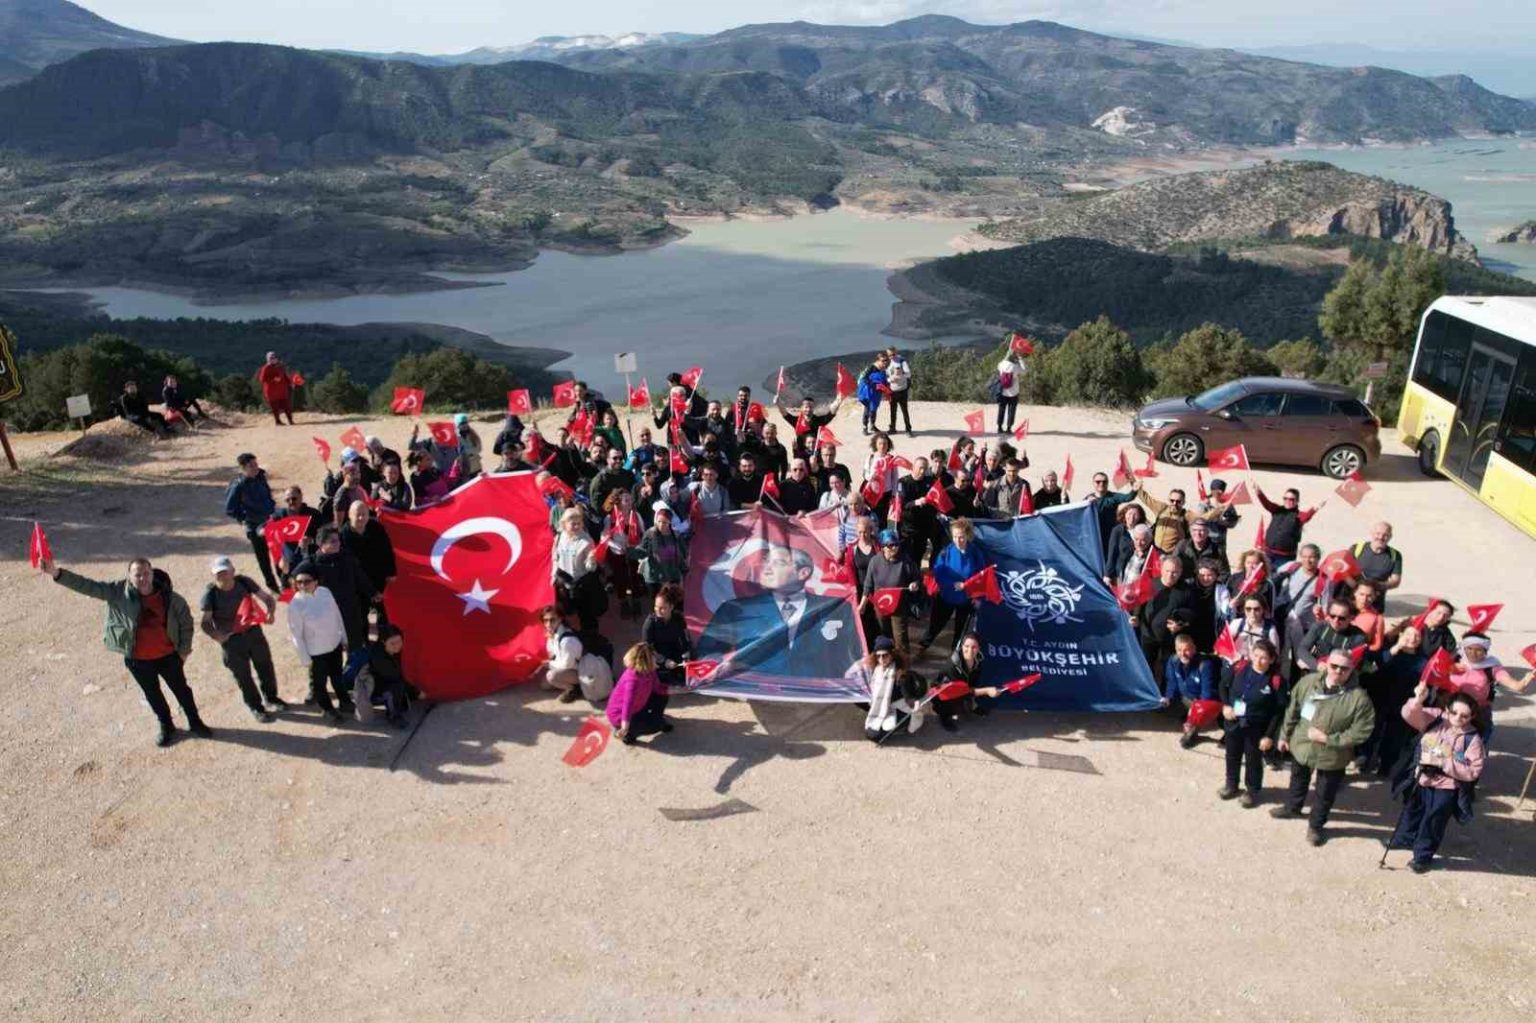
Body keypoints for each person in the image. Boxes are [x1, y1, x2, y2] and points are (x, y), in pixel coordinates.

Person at [42, 554, 207, 747]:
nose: (143, 578)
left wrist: (184, 652)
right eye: (138, 574)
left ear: (152, 574)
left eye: (147, 573)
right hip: (138, 660)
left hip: (169, 657)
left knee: (182, 691)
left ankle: (195, 722)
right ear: (129, 576)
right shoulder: (117, 592)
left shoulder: (171, 598)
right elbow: (87, 586)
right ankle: (167, 726)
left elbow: (186, 623)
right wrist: (56, 573)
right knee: (153, 694)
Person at [695, 544, 862, 678]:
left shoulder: (836, 608)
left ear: (803, 573)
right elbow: (706, 653)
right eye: (766, 562)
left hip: (820, 699)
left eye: (778, 563)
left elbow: (855, 654)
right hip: (758, 695)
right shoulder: (736, 610)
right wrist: (717, 664)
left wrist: (862, 664)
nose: (767, 569)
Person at [1273, 650, 1376, 845]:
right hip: (1302, 745)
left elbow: (1361, 731)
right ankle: (1292, 807)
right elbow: (1293, 709)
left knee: (1325, 793)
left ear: (1352, 670)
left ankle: (1316, 826)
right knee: (1298, 779)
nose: (1338, 671)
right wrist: (1284, 735)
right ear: (1327, 664)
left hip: (1333, 755)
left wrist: (1329, 739)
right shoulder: (1308, 683)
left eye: (1344, 668)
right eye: (1334, 666)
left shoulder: (1359, 698)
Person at [1388, 685, 1486, 873]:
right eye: (1454, 713)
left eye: (1464, 716)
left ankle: (1422, 856)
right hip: (1421, 777)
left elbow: (1474, 771)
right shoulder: (1436, 718)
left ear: (1472, 716)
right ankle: (1404, 839)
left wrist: (1444, 763)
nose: (1457, 718)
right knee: (1411, 810)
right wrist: (1418, 700)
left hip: (1446, 786)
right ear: (1447, 709)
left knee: (1433, 821)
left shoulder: (1472, 739)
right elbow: (1409, 715)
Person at [199, 556, 282, 723]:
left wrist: (270, 613)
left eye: (225, 572)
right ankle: (255, 707)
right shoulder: (210, 594)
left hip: (253, 632)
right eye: (219, 573)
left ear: (233, 571)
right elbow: (205, 622)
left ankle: (271, 698)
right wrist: (217, 635)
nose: (223, 576)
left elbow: (267, 598)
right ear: (213, 575)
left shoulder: (244, 582)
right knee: (243, 676)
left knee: (265, 666)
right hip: (232, 641)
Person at [1218, 640, 1285, 807]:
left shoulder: (1276, 680)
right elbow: (1222, 686)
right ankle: (1231, 784)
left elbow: (1278, 712)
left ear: (1272, 659)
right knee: (1232, 755)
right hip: (1233, 722)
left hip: (1256, 727)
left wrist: (1269, 736)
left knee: (1253, 760)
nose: (1258, 661)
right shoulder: (1239, 668)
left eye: (1263, 658)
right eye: (1255, 655)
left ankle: (1252, 791)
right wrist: (1225, 705)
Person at [285, 562, 349, 726]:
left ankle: (345, 701)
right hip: (316, 653)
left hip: (334, 645)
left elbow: (337, 615)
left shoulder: (325, 592)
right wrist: (305, 659)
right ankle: (327, 709)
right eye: (299, 582)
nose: (302, 585)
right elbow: (297, 635)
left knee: (337, 676)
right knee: (320, 684)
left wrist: (344, 638)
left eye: (306, 581)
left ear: (316, 581)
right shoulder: (295, 605)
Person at [919, 517, 986, 656]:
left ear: (968, 536)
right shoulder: (947, 551)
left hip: (965, 599)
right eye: (955, 537)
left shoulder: (975, 553)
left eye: (961, 537)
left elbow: (982, 576)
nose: (957, 540)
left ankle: (955, 655)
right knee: (935, 624)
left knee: (961, 630)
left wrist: (978, 597)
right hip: (946, 595)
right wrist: (951, 584)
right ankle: (923, 647)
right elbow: (938, 571)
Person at [308, 525, 373, 663]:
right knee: (332, 650)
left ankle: (355, 673)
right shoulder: (312, 564)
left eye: (338, 540)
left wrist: (372, 592)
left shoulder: (347, 557)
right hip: (328, 615)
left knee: (355, 647)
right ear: (321, 544)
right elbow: (296, 580)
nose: (337, 544)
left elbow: (360, 577)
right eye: (333, 541)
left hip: (350, 611)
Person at [223, 452, 281, 591]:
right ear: (243, 468)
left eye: (256, 464)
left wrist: (272, 507)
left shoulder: (261, 477)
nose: (255, 468)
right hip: (255, 527)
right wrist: (245, 518)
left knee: (278, 554)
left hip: (270, 522)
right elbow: (230, 509)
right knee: (263, 559)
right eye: (251, 466)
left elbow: (267, 495)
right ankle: (272, 586)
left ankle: (284, 583)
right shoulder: (238, 485)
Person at [850, 638, 925, 742]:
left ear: (892, 655)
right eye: (878, 656)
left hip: (898, 708)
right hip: (883, 704)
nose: (881, 659)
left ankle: (905, 721)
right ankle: (879, 714)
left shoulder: (901, 674)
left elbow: (908, 697)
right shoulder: (876, 669)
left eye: (885, 655)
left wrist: (915, 705)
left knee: (875, 736)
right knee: (856, 697)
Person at [862, 529, 919, 652]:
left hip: (899, 607)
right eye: (890, 545)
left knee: (900, 639)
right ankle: (887, 659)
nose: (894, 548)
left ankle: (903, 662)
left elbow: (916, 579)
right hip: (880, 607)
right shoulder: (875, 562)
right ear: (883, 547)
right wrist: (862, 604)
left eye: (896, 544)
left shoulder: (906, 561)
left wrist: (914, 584)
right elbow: (868, 585)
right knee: (884, 636)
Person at [341, 501, 396, 628]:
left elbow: (387, 550)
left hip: (377, 577)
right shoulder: (343, 535)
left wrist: (391, 571)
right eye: (357, 515)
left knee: (380, 614)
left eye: (364, 514)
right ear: (350, 515)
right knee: (362, 616)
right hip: (357, 582)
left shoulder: (376, 527)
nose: (361, 518)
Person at [931, 632, 1001, 730]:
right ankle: (944, 717)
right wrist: (986, 691)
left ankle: (970, 705)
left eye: (974, 647)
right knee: (952, 700)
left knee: (976, 686)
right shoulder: (952, 666)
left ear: (979, 648)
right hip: (944, 694)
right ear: (961, 646)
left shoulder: (979, 660)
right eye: (966, 646)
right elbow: (960, 691)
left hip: (963, 689)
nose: (969, 650)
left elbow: (972, 683)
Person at [1139, 558, 1193, 682]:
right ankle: (1148, 691)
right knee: (1145, 667)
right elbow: (1139, 605)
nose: (1170, 575)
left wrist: (1180, 625)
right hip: (1148, 636)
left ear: (1180, 572)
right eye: (1167, 571)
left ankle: (1165, 692)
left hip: (1171, 638)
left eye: (1175, 572)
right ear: (1161, 570)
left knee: (1167, 671)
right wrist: (1135, 618)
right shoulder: (1150, 584)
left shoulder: (1186, 590)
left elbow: (1192, 613)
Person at [608, 643, 672, 745]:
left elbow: (658, 688)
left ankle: (657, 719)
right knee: (654, 726)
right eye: (654, 656)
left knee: (662, 695)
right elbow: (627, 705)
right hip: (621, 714)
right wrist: (624, 727)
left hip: (639, 706)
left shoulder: (650, 671)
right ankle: (628, 733)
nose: (656, 658)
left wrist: (682, 689)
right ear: (647, 660)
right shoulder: (632, 680)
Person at [1160, 634, 1216, 748]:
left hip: (1200, 700)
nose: (1183, 654)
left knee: (1187, 736)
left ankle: (1192, 733)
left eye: (1187, 650)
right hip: (1185, 696)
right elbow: (1171, 682)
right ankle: (1185, 715)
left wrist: (1194, 713)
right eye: (1179, 650)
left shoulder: (1204, 665)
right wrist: (1168, 697)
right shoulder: (1173, 660)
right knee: (1164, 708)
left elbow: (1206, 694)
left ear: (1194, 649)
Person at [552, 507, 603, 631]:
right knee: (566, 611)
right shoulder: (559, 537)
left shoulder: (587, 541)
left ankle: (588, 634)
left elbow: (590, 568)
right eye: (573, 523)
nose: (576, 526)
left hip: (579, 584)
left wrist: (591, 560)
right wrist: (553, 576)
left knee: (585, 613)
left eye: (579, 523)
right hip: (564, 582)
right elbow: (555, 557)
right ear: (564, 524)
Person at [353, 626, 412, 728]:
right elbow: (395, 676)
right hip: (370, 692)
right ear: (383, 642)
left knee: (399, 691)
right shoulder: (378, 656)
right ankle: (393, 716)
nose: (397, 645)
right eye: (392, 643)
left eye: (399, 641)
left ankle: (394, 704)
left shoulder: (392, 651)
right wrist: (416, 692)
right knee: (396, 686)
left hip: (381, 684)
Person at [1135, 485, 1223, 554]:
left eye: (1178, 501)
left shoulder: (1186, 515)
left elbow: (1204, 517)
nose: (1174, 503)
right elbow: (1147, 499)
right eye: (1172, 500)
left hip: (1170, 555)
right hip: (1154, 551)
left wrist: (1220, 509)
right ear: (1168, 500)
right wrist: (1135, 485)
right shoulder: (1162, 508)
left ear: (1183, 502)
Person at [641, 584, 691, 691]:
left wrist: (686, 655)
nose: (658, 610)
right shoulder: (650, 623)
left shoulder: (678, 618)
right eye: (656, 607)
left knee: (686, 672)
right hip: (657, 656)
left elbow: (684, 639)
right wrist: (664, 661)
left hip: (674, 652)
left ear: (671, 607)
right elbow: (647, 648)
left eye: (662, 608)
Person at [1296, 598, 1367, 673]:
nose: (1336, 620)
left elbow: (1357, 663)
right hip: (1318, 669)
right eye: (1332, 616)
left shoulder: (1358, 636)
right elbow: (1302, 648)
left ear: (1351, 618)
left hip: (1341, 673)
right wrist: (1317, 664)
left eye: (1341, 618)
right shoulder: (1320, 627)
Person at [1255, 486, 1318, 568]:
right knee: (1263, 574)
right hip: (1268, 552)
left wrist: (1314, 509)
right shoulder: (1277, 510)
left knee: (1280, 575)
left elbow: (1307, 516)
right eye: (1285, 498)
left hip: (1284, 557)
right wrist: (1259, 493)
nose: (1287, 501)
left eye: (1291, 499)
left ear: (1297, 501)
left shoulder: (1298, 516)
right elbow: (1266, 503)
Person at [270, 486, 323, 579]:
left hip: (311, 558)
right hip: (290, 562)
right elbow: (261, 529)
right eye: (287, 500)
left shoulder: (314, 514)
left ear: (301, 496)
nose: (291, 502)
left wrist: (311, 540)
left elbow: (325, 533)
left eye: (294, 498)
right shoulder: (281, 515)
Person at [776, 393, 845, 460]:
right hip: (800, 455)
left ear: (813, 408)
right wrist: (778, 403)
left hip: (816, 455)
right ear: (802, 408)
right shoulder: (797, 422)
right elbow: (785, 415)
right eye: (806, 407)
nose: (808, 409)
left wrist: (839, 400)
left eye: (811, 407)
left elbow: (831, 414)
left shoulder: (819, 421)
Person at [637, 504, 688, 595]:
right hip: (654, 577)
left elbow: (683, 554)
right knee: (657, 598)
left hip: (672, 574)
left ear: (670, 523)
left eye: (664, 522)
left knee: (672, 599)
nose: (661, 525)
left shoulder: (676, 535)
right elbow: (642, 550)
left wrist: (683, 570)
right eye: (659, 521)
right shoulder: (650, 534)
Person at [1350, 522, 1403, 609]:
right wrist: (1360, 587)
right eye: (1377, 533)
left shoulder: (1395, 555)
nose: (1380, 537)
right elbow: (1344, 572)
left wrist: (1375, 586)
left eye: (1385, 535)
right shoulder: (1356, 549)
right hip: (1352, 599)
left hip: (1376, 600)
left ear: (1390, 536)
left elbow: (1395, 581)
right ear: (1371, 533)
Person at [539, 604, 585, 703]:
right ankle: (568, 684)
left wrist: (549, 664)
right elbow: (551, 655)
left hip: (580, 671)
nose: (548, 624)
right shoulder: (554, 634)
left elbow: (567, 664)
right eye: (545, 620)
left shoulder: (567, 640)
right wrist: (550, 639)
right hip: (567, 668)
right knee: (544, 685)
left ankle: (574, 688)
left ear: (560, 619)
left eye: (552, 620)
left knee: (551, 676)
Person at [1223, 596, 1279, 663]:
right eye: (1248, 609)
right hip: (1234, 664)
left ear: (1263, 610)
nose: (1252, 613)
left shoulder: (1270, 629)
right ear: (1244, 609)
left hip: (1257, 666)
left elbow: (1274, 656)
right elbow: (1222, 646)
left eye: (1257, 609)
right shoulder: (1237, 623)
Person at [256, 352, 295, 426]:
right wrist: (273, 380)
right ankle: (278, 422)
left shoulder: (280, 367)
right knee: (275, 408)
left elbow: (285, 376)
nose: (273, 359)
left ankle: (290, 421)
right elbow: (262, 379)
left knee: (287, 406)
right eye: (271, 358)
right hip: (271, 392)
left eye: (274, 358)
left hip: (282, 391)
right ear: (268, 359)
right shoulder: (265, 368)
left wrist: (290, 383)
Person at [856, 353, 889, 436]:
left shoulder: (883, 368)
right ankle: (865, 428)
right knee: (867, 409)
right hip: (868, 392)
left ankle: (872, 426)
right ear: (878, 360)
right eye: (883, 360)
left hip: (877, 392)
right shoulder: (872, 367)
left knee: (874, 409)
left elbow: (884, 379)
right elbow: (864, 378)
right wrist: (874, 385)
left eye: (886, 360)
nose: (885, 362)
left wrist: (885, 388)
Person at [883, 346, 913, 435]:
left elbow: (909, 374)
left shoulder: (902, 361)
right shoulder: (888, 362)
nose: (891, 357)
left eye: (893, 354)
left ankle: (908, 429)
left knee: (904, 410)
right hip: (892, 391)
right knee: (893, 411)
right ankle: (892, 428)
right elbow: (886, 376)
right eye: (889, 355)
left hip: (902, 390)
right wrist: (890, 380)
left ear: (896, 352)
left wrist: (901, 374)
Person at [993, 349, 1023, 434]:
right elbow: (1025, 370)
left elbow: (999, 365)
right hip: (1013, 392)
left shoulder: (1001, 364)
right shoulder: (1015, 367)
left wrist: (1006, 357)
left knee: (1001, 409)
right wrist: (1020, 359)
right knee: (1011, 411)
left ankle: (999, 427)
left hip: (1002, 391)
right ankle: (1009, 429)